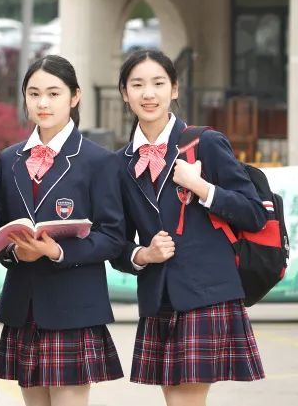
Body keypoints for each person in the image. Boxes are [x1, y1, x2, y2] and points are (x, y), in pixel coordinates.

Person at [112, 49, 266, 406]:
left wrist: (202, 188)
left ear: (175, 89)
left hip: (206, 292)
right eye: (137, 84)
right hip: (159, 295)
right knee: (176, 401)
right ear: (124, 93)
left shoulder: (205, 143)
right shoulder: (119, 163)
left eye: (158, 83)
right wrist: (142, 254)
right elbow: (115, 241)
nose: (148, 93)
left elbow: (254, 213)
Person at [0, 55, 125, 406]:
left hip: (73, 307)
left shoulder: (99, 160)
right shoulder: (9, 160)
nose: (43, 103)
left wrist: (57, 251)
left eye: (53, 93)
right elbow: (1, 226)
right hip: (24, 306)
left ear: (75, 96)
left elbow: (113, 236)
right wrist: (12, 251)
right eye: (34, 93)